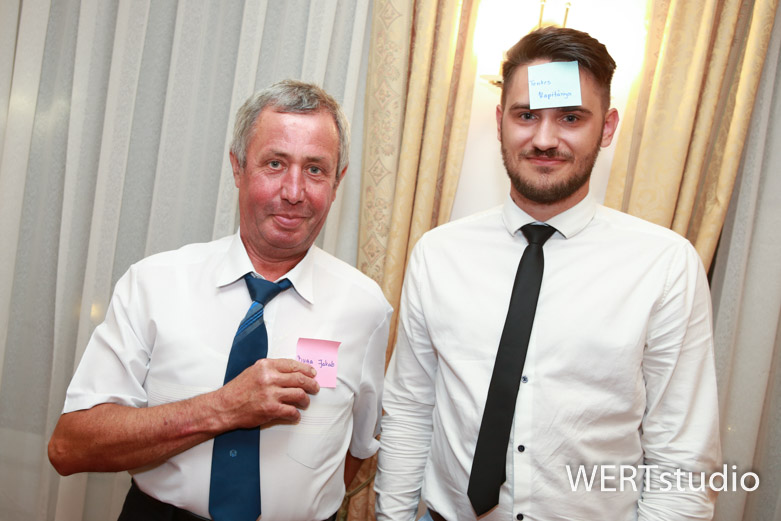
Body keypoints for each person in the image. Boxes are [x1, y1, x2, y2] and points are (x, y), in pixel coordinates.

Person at [375, 27, 721, 521]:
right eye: (527, 115)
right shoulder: (438, 254)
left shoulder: (665, 266)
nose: (543, 139)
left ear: (607, 127)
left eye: (571, 118)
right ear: (500, 122)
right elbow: (410, 411)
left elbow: (682, 457)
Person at [48, 80, 392, 521]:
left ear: (337, 181)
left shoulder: (365, 307)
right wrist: (226, 407)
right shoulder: (154, 284)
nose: (294, 192)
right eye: (274, 163)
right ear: (238, 167)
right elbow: (70, 447)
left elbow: (357, 448)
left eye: (315, 170)